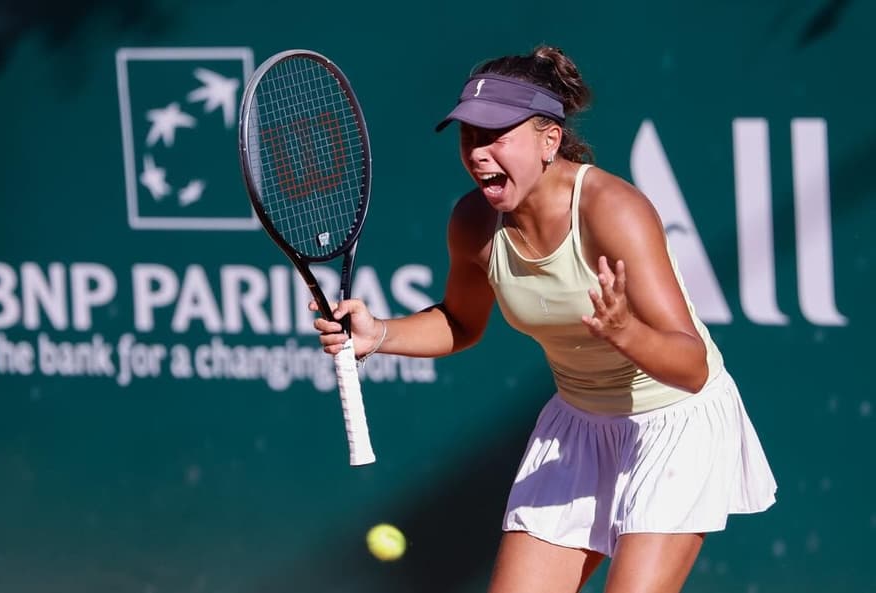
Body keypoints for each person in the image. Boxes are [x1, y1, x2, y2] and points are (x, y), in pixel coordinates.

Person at [313, 45, 777, 593]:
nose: (479, 153)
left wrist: (624, 330)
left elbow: (692, 366)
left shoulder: (612, 210)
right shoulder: (472, 222)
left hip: (674, 422)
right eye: (469, 138)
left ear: (549, 140)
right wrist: (380, 335)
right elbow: (462, 323)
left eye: (496, 136)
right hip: (579, 426)